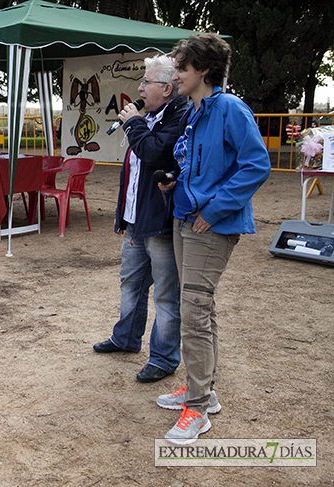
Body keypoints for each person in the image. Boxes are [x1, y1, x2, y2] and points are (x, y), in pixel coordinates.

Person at [155, 33, 270, 445]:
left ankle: (198, 408)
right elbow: (198, 164)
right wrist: (176, 183)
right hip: (185, 218)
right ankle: (201, 388)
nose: (176, 75)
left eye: (182, 68)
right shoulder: (195, 110)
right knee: (198, 309)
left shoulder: (230, 108)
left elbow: (256, 165)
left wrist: (214, 208)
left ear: (204, 69)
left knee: (195, 311)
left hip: (211, 226)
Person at [93, 55, 187, 384]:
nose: (140, 87)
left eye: (146, 82)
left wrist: (133, 123)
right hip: (135, 221)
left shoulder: (180, 116)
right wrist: (122, 214)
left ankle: (163, 358)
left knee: (164, 293)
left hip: (159, 223)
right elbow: (132, 174)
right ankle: (126, 338)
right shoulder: (146, 117)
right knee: (131, 284)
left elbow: (155, 155)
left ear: (166, 87)